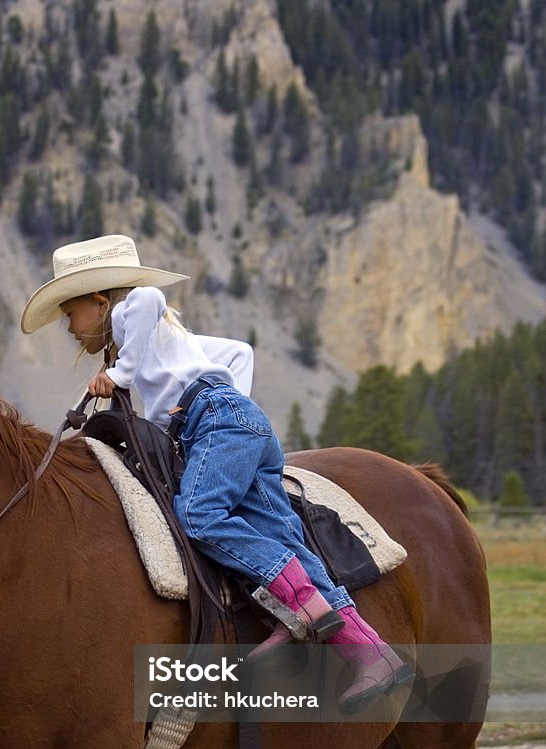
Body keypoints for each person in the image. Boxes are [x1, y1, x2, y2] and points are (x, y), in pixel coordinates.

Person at [21, 235, 413, 715]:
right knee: (282, 533)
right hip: (235, 421)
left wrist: (123, 376)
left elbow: (148, 297)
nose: (68, 326)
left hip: (219, 422)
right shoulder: (173, 342)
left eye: (69, 313)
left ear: (100, 301)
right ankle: (369, 652)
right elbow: (239, 352)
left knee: (200, 514)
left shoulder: (132, 312)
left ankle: (302, 606)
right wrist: (226, 404)